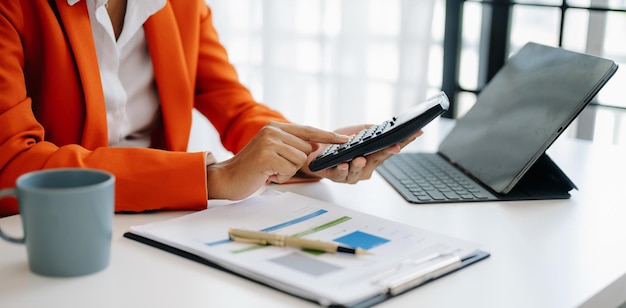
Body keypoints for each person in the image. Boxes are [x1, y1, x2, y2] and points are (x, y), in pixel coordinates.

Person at [0, 0, 421, 217]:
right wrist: (212, 177)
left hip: (152, 226)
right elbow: (13, 162)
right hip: (49, 236)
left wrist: (304, 151)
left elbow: (235, 107)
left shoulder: (183, 5)